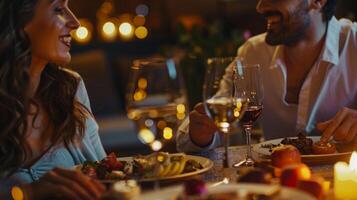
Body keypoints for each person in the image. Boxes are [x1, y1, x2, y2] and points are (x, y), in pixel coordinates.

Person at [177, 0, 357, 152]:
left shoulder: (354, 44)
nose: (261, 7)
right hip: (273, 185)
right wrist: (200, 134)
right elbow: (212, 116)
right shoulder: (253, 52)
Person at [0, 0, 106, 199]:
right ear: (18, 20)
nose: (75, 23)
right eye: (58, 9)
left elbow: (108, 176)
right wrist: (26, 194)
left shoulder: (70, 88)